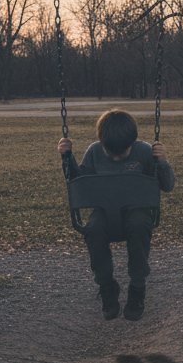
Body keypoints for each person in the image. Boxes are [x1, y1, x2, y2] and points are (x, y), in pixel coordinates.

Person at [58, 109, 175, 321]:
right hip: (103, 212)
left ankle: (137, 289)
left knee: (139, 225)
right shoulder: (94, 152)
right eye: (110, 153)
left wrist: (163, 162)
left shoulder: (145, 152)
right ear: (102, 142)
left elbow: (167, 186)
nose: (116, 157)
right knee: (93, 229)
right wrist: (67, 157)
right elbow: (80, 184)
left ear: (133, 141)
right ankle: (107, 287)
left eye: (122, 153)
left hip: (136, 212)